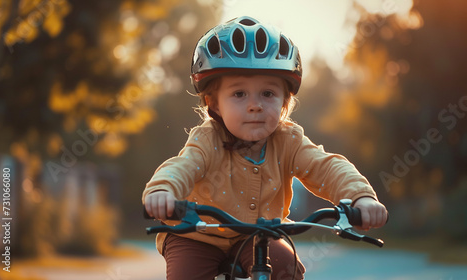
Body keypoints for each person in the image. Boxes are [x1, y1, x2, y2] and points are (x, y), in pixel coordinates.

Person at [143, 16, 388, 280]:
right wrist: (163, 191)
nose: (255, 105)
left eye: (268, 94)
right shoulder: (207, 140)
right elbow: (182, 167)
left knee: (286, 266)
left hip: (258, 236)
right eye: (239, 94)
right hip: (196, 235)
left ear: (284, 102)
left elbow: (326, 167)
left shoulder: (288, 141)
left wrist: (361, 197)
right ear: (214, 104)